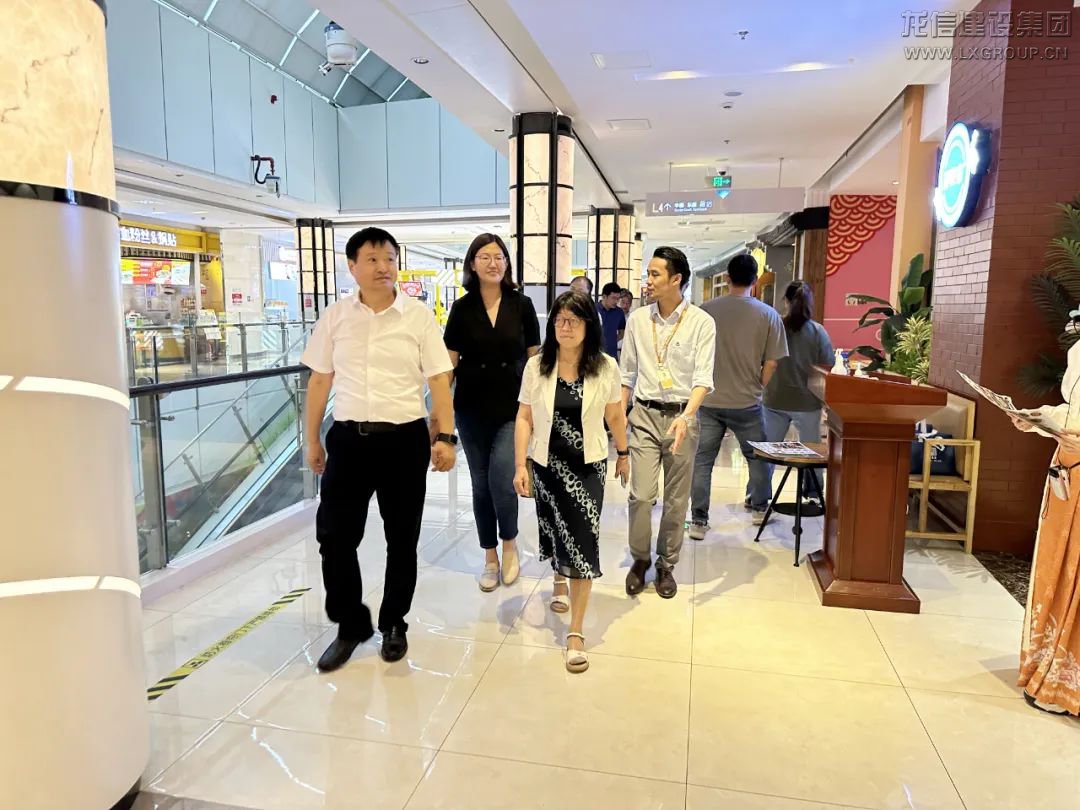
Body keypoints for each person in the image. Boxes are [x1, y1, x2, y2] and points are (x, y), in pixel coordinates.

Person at [302, 227, 457, 672]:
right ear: (352, 266)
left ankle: (394, 623)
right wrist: (312, 439)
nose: (383, 267)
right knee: (334, 537)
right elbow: (319, 380)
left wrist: (445, 437)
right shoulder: (335, 317)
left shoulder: (418, 317)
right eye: (372, 259)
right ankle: (351, 624)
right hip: (348, 440)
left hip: (404, 441)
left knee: (401, 539)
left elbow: (439, 379)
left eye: (389, 258)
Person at [514, 290, 629, 672]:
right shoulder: (537, 366)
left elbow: (615, 416)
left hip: (587, 468)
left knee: (583, 540)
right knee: (554, 529)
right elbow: (524, 418)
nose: (565, 327)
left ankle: (576, 632)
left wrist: (624, 453)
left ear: (587, 325)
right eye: (559, 320)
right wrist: (520, 465)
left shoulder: (605, 367)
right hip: (546, 463)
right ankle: (558, 578)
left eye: (573, 320)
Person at [444, 234, 541, 592]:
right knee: (480, 483)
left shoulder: (522, 304)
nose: (493, 263)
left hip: (512, 408)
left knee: (502, 479)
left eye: (499, 257)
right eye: (484, 257)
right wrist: (439, 416)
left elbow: (535, 359)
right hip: (470, 408)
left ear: (507, 263)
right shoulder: (461, 309)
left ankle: (509, 543)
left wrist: (539, 409)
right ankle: (489, 555)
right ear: (472, 263)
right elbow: (449, 365)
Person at [621, 246, 716, 598]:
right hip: (644, 414)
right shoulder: (637, 320)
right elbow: (627, 375)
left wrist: (687, 417)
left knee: (677, 499)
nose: (648, 281)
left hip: (682, 417)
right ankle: (640, 559)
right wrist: (619, 423)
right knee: (641, 495)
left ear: (676, 279)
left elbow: (703, 379)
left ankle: (666, 564)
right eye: (648, 273)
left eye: (655, 274)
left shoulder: (701, 323)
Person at [1010, 314, 1080, 717]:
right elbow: (1073, 410)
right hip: (1070, 470)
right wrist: (1038, 419)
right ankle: (1053, 671)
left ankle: (1066, 681)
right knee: (1062, 566)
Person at [689, 253, 787, 540]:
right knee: (757, 457)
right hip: (747, 401)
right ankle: (758, 507)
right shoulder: (768, 315)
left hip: (708, 400)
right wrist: (759, 385)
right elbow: (772, 362)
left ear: (728, 278)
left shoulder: (705, 311)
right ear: (755, 281)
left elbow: (692, 355)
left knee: (703, 461)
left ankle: (698, 520)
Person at [763, 281, 834, 503]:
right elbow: (828, 363)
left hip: (775, 398)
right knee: (811, 451)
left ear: (785, 301)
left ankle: (757, 495)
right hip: (807, 401)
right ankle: (813, 494)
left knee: (767, 450)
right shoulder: (818, 331)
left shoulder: (775, 328)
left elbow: (762, 359)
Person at [597, 282, 627, 358]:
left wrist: (611, 340)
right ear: (604, 296)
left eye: (618, 299)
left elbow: (622, 332)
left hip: (612, 354)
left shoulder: (619, 312)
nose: (616, 302)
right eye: (613, 298)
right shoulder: (593, 310)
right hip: (596, 354)